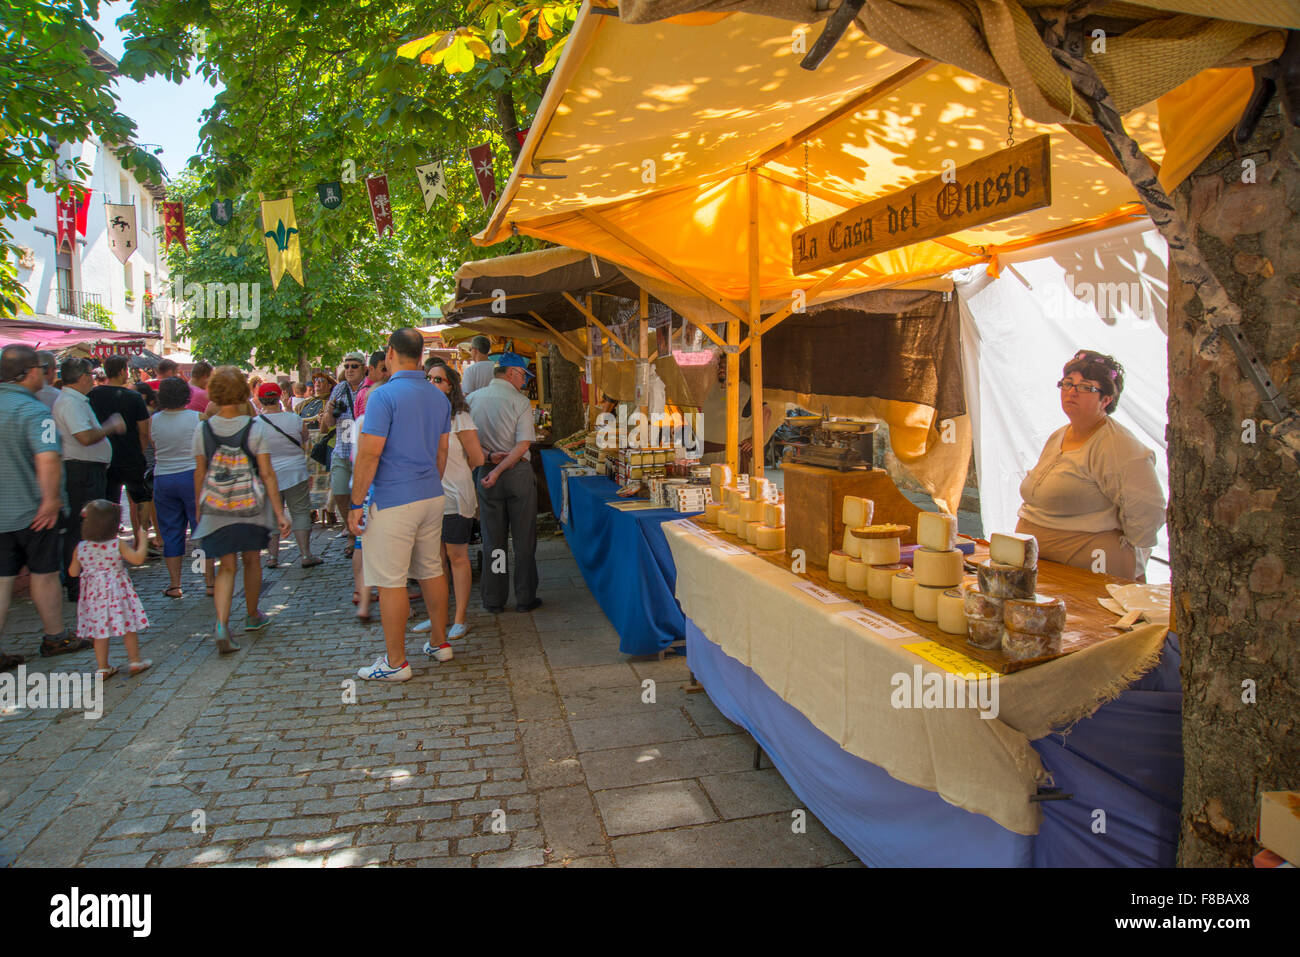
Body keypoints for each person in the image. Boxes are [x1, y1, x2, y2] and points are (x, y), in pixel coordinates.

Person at [350, 328, 453, 681]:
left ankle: (396, 662)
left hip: (393, 499)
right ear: (421, 355)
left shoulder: (383, 396)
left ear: (390, 353)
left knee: (390, 580)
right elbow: (442, 451)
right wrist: (431, 482)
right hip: (430, 494)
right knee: (431, 570)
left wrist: (355, 502)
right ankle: (440, 643)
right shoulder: (439, 396)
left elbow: (369, 454)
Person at [1016, 350, 1166, 582]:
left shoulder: (1118, 445)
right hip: (1044, 565)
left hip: (1091, 569)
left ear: (1106, 399)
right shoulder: (1059, 436)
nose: (1072, 392)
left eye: (1086, 387)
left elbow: (1148, 509)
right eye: (1067, 384)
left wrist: (1130, 548)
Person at [192, 366, 291, 653]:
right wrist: (278, 511)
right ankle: (252, 614)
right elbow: (268, 473)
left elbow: (199, 473)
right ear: (243, 393)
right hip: (250, 506)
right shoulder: (255, 427)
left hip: (216, 506)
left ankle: (222, 624)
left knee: (226, 566)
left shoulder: (202, 429)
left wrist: (199, 507)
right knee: (251, 560)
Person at [0, 344, 89, 663]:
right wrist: (51, 500)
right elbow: (49, 458)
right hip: (34, 511)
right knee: (44, 573)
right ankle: (55, 637)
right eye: (41, 367)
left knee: (2, 578)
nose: (47, 373)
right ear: (28, 372)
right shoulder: (34, 411)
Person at [413, 360, 485, 640]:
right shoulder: (421, 416)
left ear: (450, 386)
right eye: (428, 379)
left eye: (438, 380)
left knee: (456, 557)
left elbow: (477, 458)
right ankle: (437, 617)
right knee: (432, 560)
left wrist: (454, 476)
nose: (432, 384)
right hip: (427, 496)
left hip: (455, 495)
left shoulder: (460, 418)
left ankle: (460, 618)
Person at [467, 353, 540, 614]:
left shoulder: (472, 399)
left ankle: (495, 597)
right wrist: (500, 469)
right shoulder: (519, 401)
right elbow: (523, 445)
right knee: (523, 539)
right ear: (511, 373)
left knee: (494, 541)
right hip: (515, 473)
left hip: (485, 473)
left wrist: (490, 461)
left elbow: (468, 443)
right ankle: (525, 596)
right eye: (523, 376)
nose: (524, 382)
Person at [53, 357, 126, 600]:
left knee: (85, 527)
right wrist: (110, 426)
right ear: (83, 376)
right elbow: (84, 437)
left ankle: (83, 582)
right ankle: (77, 586)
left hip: (87, 470)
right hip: (81, 472)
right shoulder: (70, 403)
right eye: (91, 375)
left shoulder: (74, 401)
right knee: (82, 528)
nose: (93, 379)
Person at [69, 499, 151, 678]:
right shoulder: (116, 544)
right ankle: (135, 660)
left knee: (100, 632)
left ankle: (103, 667)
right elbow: (137, 559)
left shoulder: (81, 547)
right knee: (128, 626)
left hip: (93, 597)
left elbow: (73, 572)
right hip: (118, 593)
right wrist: (143, 540)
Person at [255, 381, 321, 569]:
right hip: (295, 472)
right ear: (280, 397)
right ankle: (306, 554)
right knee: (300, 512)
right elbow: (305, 437)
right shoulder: (294, 419)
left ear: (260, 399)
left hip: (268, 475)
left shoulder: (255, 423)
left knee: (271, 514)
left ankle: (272, 557)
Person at [89, 355, 152, 547]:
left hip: (104, 458)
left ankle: (108, 544)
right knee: (141, 498)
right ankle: (141, 541)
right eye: (126, 369)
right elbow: (144, 431)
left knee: (108, 502)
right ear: (121, 371)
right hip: (131, 456)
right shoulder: (133, 397)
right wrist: (139, 451)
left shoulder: (91, 396)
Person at [151, 377, 204, 598]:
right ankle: (205, 578)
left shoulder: (154, 420)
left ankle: (175, 585)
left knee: (171, 532)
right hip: (192, 475)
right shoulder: (197, 418)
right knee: (200, 529)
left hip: (163, 477)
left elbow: (153, 445)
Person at [700, 351, 774, 473]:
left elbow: (766, 412)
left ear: (736, 368)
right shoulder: (713, 390)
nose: (721, 369)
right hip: (707, 455)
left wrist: (755, 439)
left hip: (731, 457)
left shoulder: (746, 392)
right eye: (719, 366)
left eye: (725, 366)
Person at [322, 352, 366, 553]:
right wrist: (329, 411)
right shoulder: (339, 389)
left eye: (354, 366)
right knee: (340, 493)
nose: (349, 370)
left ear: (364, 368)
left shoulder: (370, 388)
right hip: (342, 448)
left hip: (363, 450)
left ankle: (359, 535)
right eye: (346, 366)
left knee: (361, 495)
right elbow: (327, 425)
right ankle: (350, 531)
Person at [300, 370, 336, 525]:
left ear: (329, 385)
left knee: (329, 478)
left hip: (324, 443)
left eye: (321, 381)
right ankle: (311, 509)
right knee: (309, 479)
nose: (317, 384)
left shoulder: (332, 402)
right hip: (308, 445)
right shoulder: (306, 404)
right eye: (316, 382)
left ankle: (329, 509)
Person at [133, 381, 163, 555]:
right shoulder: (153, 415)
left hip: (147, 462)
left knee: (146, 502)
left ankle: (144, 539)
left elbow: (148, 438)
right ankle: (152, 537)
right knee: (149, 502)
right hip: (149, 462)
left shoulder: (150, 417)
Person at [354, 350, 387, 419]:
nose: (388, 374)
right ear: (371, 369)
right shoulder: (367, 393)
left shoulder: (371, 390)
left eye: (389, 369)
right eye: (384, 369)